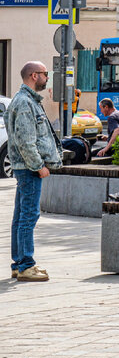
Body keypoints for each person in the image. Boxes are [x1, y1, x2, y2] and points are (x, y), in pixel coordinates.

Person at [5, 61, 62, 281]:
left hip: (25, 168)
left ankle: (19, 264)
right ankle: (26, 265)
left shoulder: (27, 100)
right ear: (34, 75)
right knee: (28, 216)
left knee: (21, 217)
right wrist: (39, 166)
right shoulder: (25, 102)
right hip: (29, 169)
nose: (47, 77)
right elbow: (26, 141)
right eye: (45, 74)